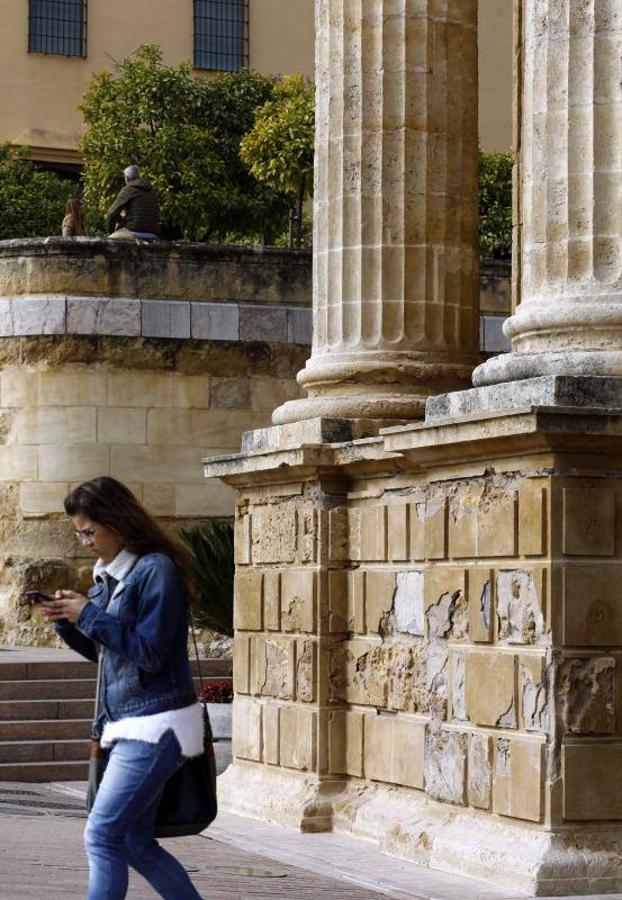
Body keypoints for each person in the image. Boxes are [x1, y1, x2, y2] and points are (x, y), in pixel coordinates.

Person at [40, 476, 203, 900]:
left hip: (156, 725)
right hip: (127, 722)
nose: (86, 541)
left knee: (102, 836)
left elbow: (151, 652)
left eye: (90, 531)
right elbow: (111, 657)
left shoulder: (156, 571)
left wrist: (89, 615)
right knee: (132, 841)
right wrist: (67, 618)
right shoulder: (109, 580)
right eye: (79, 533)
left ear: (116, 522)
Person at [106, 165, 160, 241]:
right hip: (153, 233)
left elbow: (111, 212)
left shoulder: (129, 189)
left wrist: (110, 232)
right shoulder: (151, 191)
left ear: (126, 178)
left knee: (109, 241)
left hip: (134, 231)